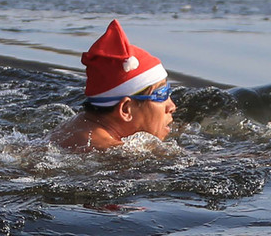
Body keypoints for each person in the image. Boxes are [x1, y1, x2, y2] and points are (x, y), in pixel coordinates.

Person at [48, 20, 176, 152]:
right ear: (126, 109)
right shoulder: (117, 154)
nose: (172, 106)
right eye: (161, 94)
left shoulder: (73, 127)